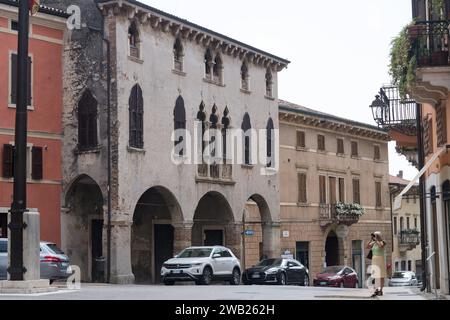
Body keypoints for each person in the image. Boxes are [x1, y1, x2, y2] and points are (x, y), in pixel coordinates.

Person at [367, 231, 387, 297]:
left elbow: (380, 246)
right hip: (374, 260)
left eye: (376, 235)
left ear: (379, 236)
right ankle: (376, 290)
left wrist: (376, 240)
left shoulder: (383, 242)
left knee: (381, 276)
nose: (375, 237)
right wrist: (371, 239)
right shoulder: (374, 243)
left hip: (380, 260)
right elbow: (367, 246)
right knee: (376, 276)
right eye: (374, 235)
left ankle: (380, 290)